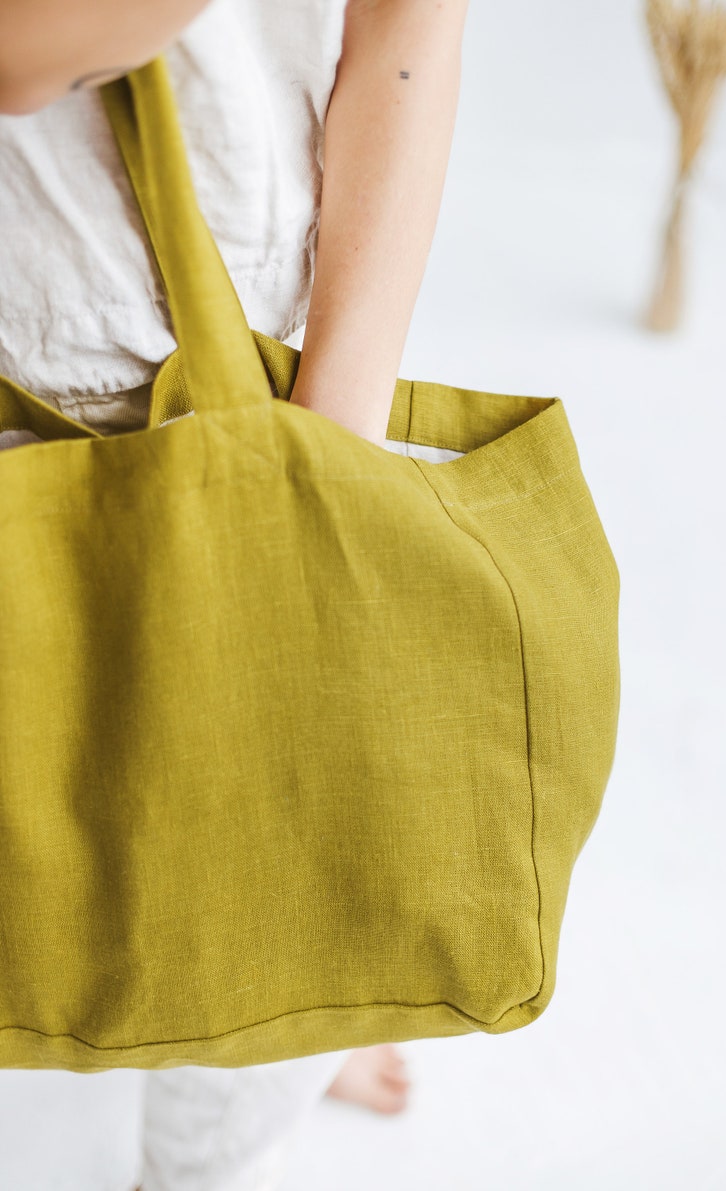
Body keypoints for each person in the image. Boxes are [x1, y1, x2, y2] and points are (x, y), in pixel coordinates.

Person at [0, 0, 468, 1185]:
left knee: (269, 863)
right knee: (84, 842)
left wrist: (334, 446)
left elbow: (408, 32)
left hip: (253, 348)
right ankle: (276, 1039)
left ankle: (277, 1063)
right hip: (48, 340)